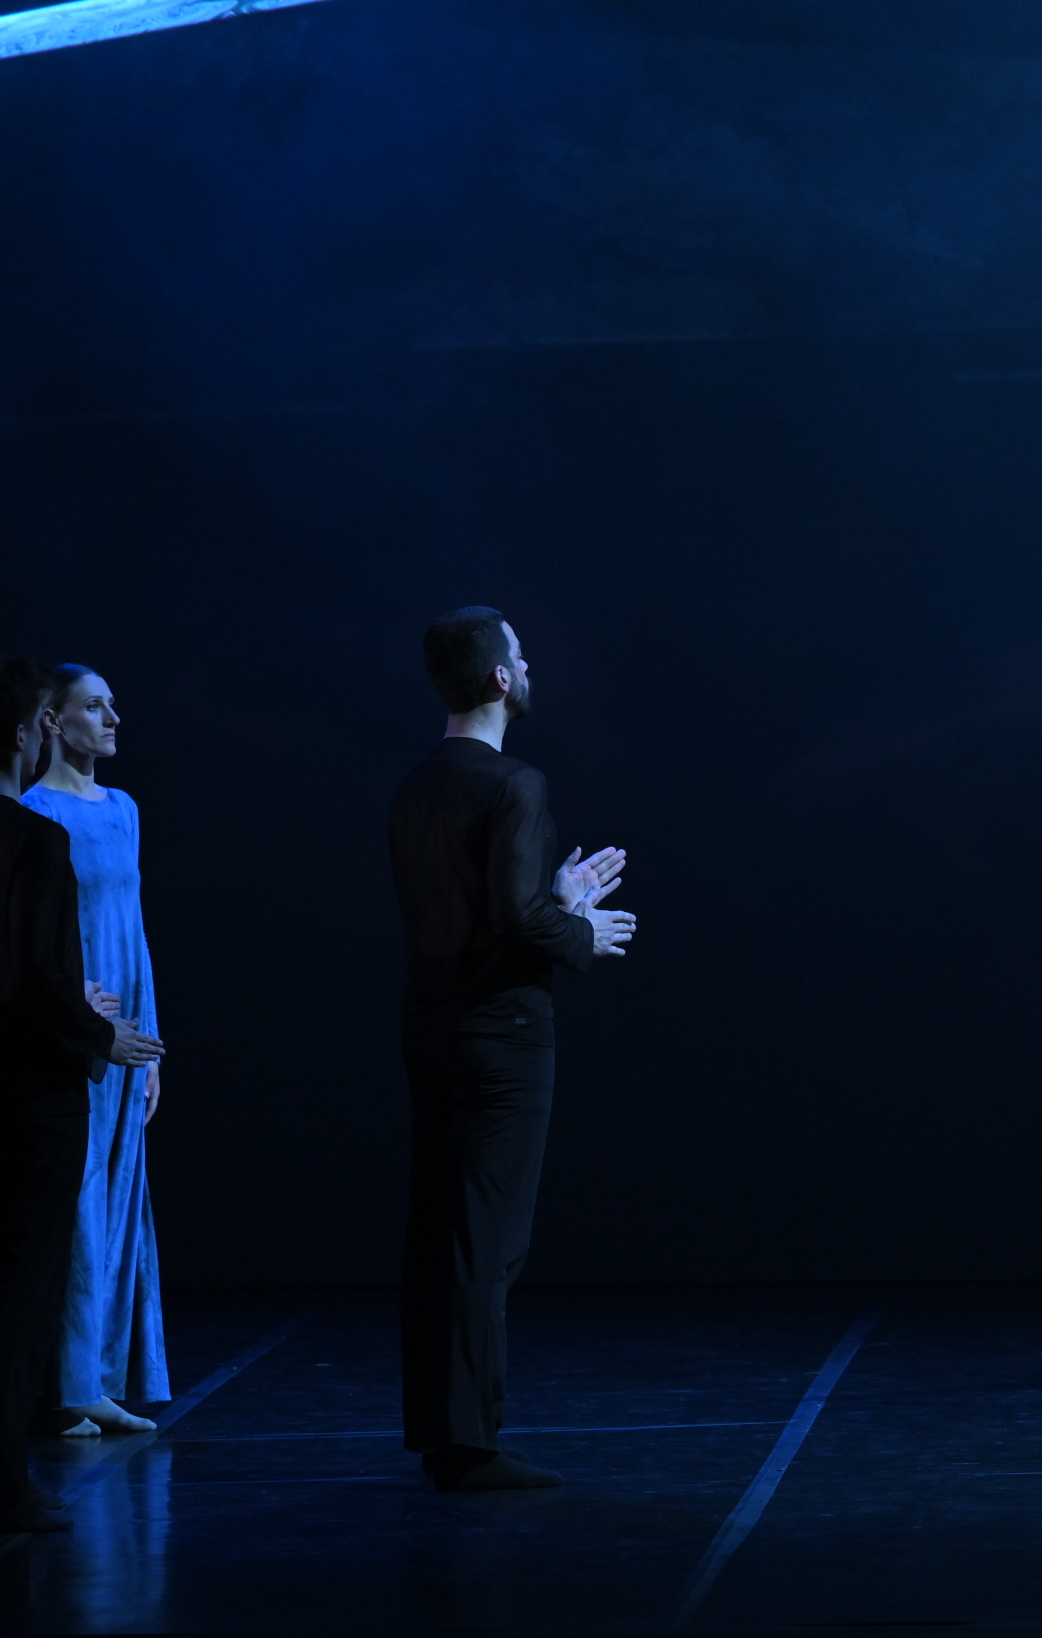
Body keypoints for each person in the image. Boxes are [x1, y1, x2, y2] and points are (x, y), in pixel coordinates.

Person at [0, 649, 163, 1540]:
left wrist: (71, 1006)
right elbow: (42, 981)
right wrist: (101, 1033)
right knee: (22, 1286)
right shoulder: (34, 838)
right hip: (34, 1087)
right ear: (26, 733)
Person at [388, 608, 634, 1492]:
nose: (529, 668)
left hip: (431, 1026)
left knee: (438, 1233)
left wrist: (554, 896)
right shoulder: (515, 784)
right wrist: (579, 929)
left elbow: (475, 909)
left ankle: (439, 1430)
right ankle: (469, 1444)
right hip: (503, 1036)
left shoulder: (416, 784)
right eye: (521, 657)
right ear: (499, 678)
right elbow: (517, 918)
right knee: (488, 1242)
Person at [24, 663, 169, 1434]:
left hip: (124, 1025)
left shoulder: (124, 808)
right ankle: (69, 1383)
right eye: (94, 706)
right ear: (53, 720)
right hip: (73, 1026)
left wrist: (152, 1044)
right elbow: (30, 935)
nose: (113, 718)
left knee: (116, 1197)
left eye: (113, 704)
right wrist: (74, 1006)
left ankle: (101, 1376)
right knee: (75, 1198)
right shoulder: (34, 813)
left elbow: (134, 927)